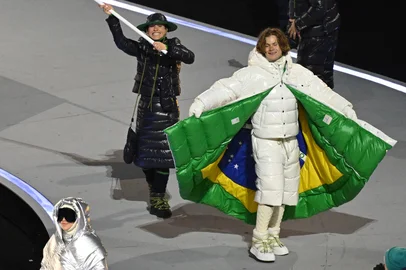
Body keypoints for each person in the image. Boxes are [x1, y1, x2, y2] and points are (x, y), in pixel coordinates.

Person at [188, 27, 357, 262]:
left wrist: (345, 108)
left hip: (290, 140)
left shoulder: (295, 72)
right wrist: (201, 102)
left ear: (283, 46)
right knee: (270, 192)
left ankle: (274, 235)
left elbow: (322, 92)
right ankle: (259, 239)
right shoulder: (251, 74)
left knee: (287, 191)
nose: (271, 48)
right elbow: (226, 89)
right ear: (261, 48)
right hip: (265, 140)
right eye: (266, 45)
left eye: (275, 43)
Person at [100, 4, 195, 218]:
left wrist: (168, 50)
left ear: (166, 30)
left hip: (167, 107)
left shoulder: (173, 45)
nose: (156, 30)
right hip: (146, 106)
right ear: (147, 30)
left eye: (160, 26)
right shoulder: (143, 47)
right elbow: (122, 43)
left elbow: (190, 57)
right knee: (146, 153)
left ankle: (158, 197)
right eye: (152, 27)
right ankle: (154, 186)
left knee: (162, 155)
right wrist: (112, 19)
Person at [40, 197, 108, 269]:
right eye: (60, 215)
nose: (63, 220)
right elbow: (45, 266)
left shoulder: (89, 244)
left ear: (78, 218)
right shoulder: (54, 241)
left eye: (69, 216)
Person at [287, 0, 340, 89]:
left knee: (311, 78)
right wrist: (293, 24)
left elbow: (319, 8)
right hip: (317, 30)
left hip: (319, 33)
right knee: (320, 75)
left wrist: (297, 24)